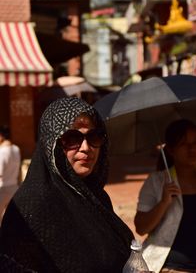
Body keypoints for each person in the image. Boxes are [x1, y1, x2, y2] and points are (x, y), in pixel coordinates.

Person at [0, 97, 133, 273]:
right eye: (72, 138)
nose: (86, 147)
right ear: (51, 144)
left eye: (94, 136)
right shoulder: (31, 206)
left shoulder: (96, 197)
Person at [134, 119, 196, 273]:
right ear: (170, 149)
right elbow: (141, 228)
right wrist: (163, 203)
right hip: (170, 267)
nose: (192, 149)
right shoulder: (156, 182)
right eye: (184, 144)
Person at [0, 125, 21, 224]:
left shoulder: (2, 152)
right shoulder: (16, 149)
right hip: (14, 188)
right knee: (11, 220)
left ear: (1, 136)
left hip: (2, 189)